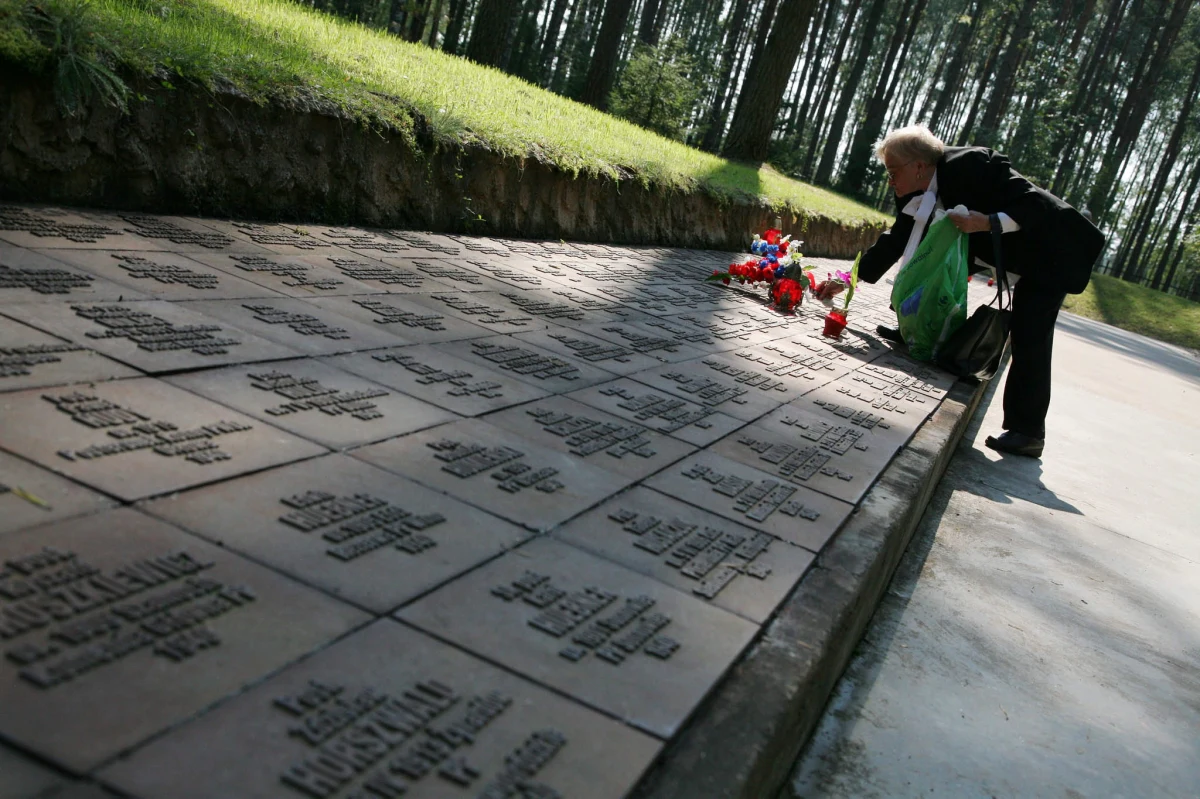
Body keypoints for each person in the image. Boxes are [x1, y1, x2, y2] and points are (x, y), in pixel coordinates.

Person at [820, 125, 1104, 458]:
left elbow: (1035, 203)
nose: (890, 182)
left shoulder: (973, 164)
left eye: (893, 172)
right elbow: (897, 240)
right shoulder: (915, 192)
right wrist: (848, 278)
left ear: (919, 167)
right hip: (995, 246)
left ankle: (1027, 431)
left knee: (1030, 331)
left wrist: (984, 222)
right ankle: (918, 329)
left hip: (1051, 248)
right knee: (934, 263)